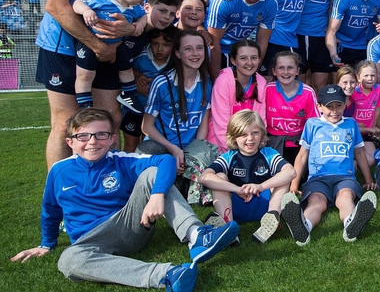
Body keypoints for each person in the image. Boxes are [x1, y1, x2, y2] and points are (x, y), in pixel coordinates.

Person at [11, 108, 239, 290]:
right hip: (89, 240)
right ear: (70, 142)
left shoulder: (120, 160)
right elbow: (50, 210)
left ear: (111, 139)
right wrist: (47, 244)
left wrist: (157, 194)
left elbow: (167, 162)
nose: (92, 141)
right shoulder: (59, 171)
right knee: (68, 260)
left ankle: (197, 236)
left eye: (101, 134)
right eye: (83, 135)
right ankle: (168, 274)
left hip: (129, 227)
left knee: (153, 173)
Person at [36, 0, 158, 169]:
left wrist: (132, 27)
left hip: (108, 51)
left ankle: (102, 189)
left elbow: (142, 15)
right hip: (64, 47)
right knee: (67, 123)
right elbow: (55, 4)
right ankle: (62, 199)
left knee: (109, 118)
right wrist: (97, 44)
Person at [281, 85, 377, 246]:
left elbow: (360, 153)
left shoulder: (351, 124)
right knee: (316, 202)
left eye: (339, 105)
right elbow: (302, 155)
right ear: (319, 106)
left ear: (346, 103)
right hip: (318, 178)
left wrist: (368, 179)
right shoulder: (312, 124)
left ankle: (351, 223)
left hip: (344, 177)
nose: (334, 111)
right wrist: (294, 185)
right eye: (329, 106)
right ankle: (304, 226)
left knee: (345, 197)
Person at [140, 30, 216, 205]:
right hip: (161, 147)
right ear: (177, 53)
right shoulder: (162, 82)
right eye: (188, 49)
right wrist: (174, 151)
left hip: (187, 150)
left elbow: (202, 126)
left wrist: (193, 157)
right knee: (147, 155)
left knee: (212, 158)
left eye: (199, 48)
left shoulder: (206, 83)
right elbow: (147, 127)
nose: (195, 54)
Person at [200, 110, 296, 244]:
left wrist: (260, 186)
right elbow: (204, 177)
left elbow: (291, 172)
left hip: (263, 204)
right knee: (219, 177)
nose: (250, 138)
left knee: (282, 178)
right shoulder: (229, 157)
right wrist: (236, 189)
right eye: (243, 134)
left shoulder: (268, 154)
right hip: (235, 206)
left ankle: (272, 218)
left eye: (255, 133)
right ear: (234, 137)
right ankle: (227, 227)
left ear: (262, 133)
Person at [71, 0, 149, 112]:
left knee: (126, 68)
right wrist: (86, 10)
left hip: (116, 44)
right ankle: (84, 105)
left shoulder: (133, 7)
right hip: (90, 43)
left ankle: (129, 94)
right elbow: (76, 3)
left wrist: (139, 24)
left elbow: (144, 16)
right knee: (85, 75)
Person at [206, 0, 279, 79]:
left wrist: (253, 74)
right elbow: (214, 43)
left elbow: (262, 42)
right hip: (217, 49)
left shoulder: (271, 4)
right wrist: (216, 78)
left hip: (240, 51)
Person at [121, 25, 178, 153]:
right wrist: (138, 75)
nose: (159, 49)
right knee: (130, 144)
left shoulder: (175, 62)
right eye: (155, 44)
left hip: (157, 112)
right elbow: (126, 68)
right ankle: (127, 169)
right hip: (135, 107)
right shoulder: (141, 56)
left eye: (166, 45)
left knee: (148, 144)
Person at [207, 40, 268, 153]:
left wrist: (258, 147)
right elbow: (221, 126)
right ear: (233, 60)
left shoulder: (261, 82)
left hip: (251, 145)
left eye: (254, 58)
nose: (249, 62)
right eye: (243, 58)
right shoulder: (223, 82)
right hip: (221, 147)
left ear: (259, 60)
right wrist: (235, 153)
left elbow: (261, 121)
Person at [265, 51, 319, 166]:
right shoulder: (267, 90)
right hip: (272, 142)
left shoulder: (308, 92)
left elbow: (314, 123)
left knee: (297, 176)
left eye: (290, 68)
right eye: (281, 68)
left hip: (298, 143)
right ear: (274, 71)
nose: (285, 72)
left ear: (297, 70)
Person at [350, 60, 380, 165]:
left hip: (367, 133)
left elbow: (377, 109)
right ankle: (353, 157)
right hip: (354, 132)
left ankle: (356, 156)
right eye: (366, 75)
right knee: (367, 160)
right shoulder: (354, 91)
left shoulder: (379, 89)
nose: (370, 78)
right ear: (358, 77)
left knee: (372, 160)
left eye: (373, 75)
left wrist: (373, 127)